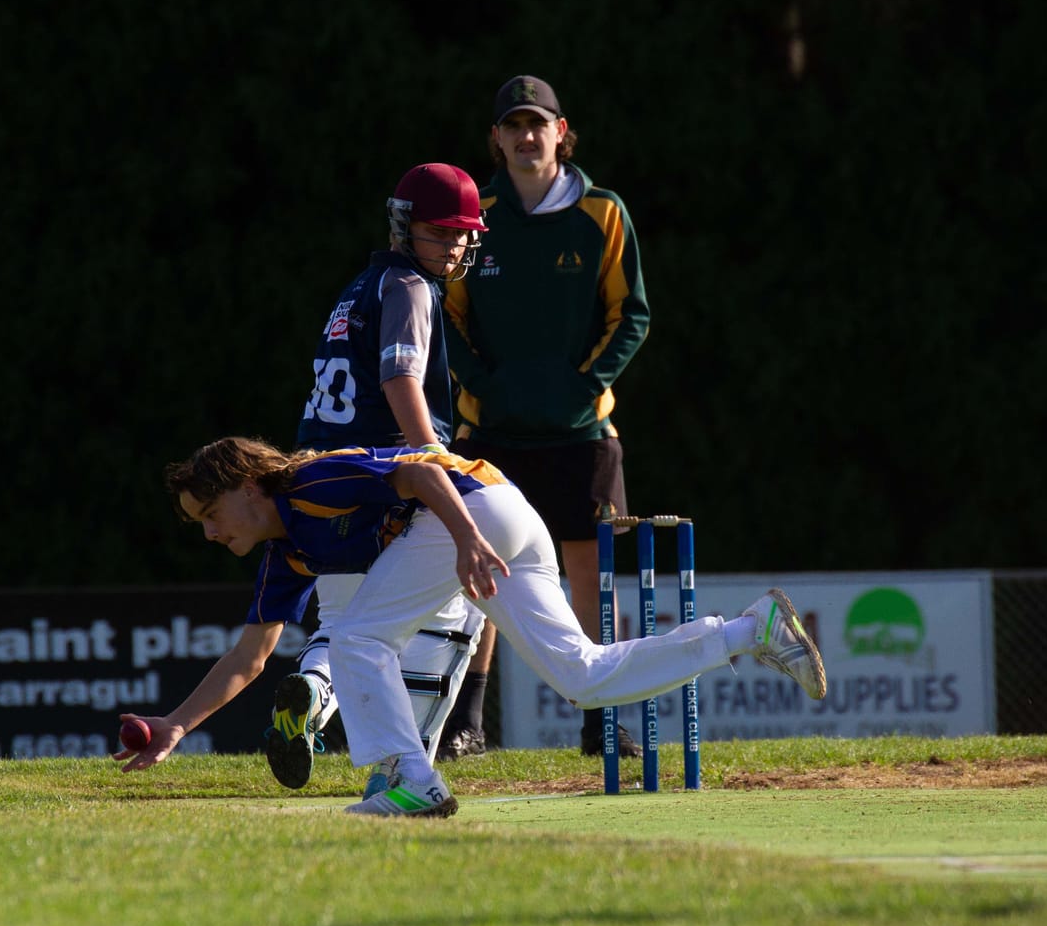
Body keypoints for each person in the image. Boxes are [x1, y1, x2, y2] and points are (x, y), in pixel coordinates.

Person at [117, 438, 827, 818]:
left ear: (247, 486)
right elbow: (251, 652)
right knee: (582, 675)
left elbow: (424, 473)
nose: (208, 532)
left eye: (210, 513)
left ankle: (410, 779)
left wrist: (464, 541)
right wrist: (178, 723)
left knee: (356, 638)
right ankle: (746, 630)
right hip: (502, 516)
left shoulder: (313, 483)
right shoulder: (286, 551)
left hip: (472, 508)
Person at [440, 75, 652, 761]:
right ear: (497, 140)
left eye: (540, 124)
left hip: (582, 432)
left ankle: (598, 717)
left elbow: (632, 315)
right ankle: (467, 719)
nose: (528, 136)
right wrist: (483, 386)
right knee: (480, 570)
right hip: (491, 430)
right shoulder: (476, 215)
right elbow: (445, 315)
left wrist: (586, 384)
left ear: (563, 132)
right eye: (514, 125)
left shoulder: (603, 212)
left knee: (589, 570)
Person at [263, 165, 487, 793]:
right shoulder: (410, 286)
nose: (455, 245)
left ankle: (311, 689)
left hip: (315, 477)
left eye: (463, 233)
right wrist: (434, 461)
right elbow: (400, 382)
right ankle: (404, 770)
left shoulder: (358, 286)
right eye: (440, 231)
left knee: (341, 627)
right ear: (402, 225)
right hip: (380, 474)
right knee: (449, 620)